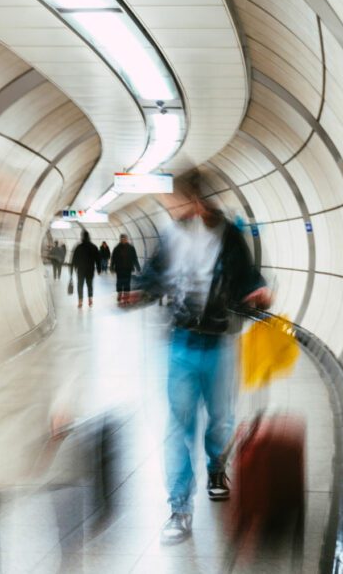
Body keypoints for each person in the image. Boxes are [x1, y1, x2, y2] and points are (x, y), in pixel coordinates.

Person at [130, 169, 271, 545]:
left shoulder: (229, 236)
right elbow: (155, 275)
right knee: (178, 426)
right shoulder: (170, 235)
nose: (168, 208)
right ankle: (179, 506)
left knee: (221, 418)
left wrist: (257, 291)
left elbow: (247, 276)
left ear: (195, 200)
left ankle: (216, 468)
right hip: (180, 342)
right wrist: (138, 292)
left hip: (219, 342)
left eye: (172, 201)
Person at [70, 230, 99, 308]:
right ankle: (90, 299)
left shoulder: (79, 247)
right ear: (89, 237)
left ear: (82, 237)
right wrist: (99, 268)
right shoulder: (93, 247)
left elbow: (74, 259)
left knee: (80, 285)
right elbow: (98, 259)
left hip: (81, 270)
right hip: (90, 270)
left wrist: (73, 269)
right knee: (89, 285)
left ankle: (80, 301)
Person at [109, 234, 141, 303]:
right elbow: (113, 258)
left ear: (127, 239)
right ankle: (119, 294)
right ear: (120, 239)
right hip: (119, 269)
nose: (123, 240)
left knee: (127, 282)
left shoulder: (131, 248)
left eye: (124, 239)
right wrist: (111, 267)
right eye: (122, 239)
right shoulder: (116, 248)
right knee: (119, 282)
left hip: (128, 268)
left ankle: (126, 296)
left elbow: (134, 258)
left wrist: (138, 267)